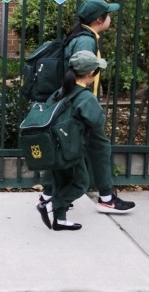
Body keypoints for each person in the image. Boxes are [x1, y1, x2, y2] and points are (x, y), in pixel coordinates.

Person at [38, 0, 136, 214]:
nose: (110, 18)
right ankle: (106, 198)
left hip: (74, 103)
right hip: (80, 106)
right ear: (99, 19)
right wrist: (85, 102)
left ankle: (48, 196)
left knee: (65, 149)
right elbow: (79, 72)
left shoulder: (81, 36)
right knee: (99, 148)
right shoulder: (85, 41)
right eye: (108, 15)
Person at [36, 50, 109, 231]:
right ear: (91, 73)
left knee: (61, 182)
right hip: (71, 150)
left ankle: (60, 220)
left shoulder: (60, 92)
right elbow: (97, 120)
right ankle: (50, 205)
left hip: (55, 148)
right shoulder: (85, 97)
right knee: (80, 183)